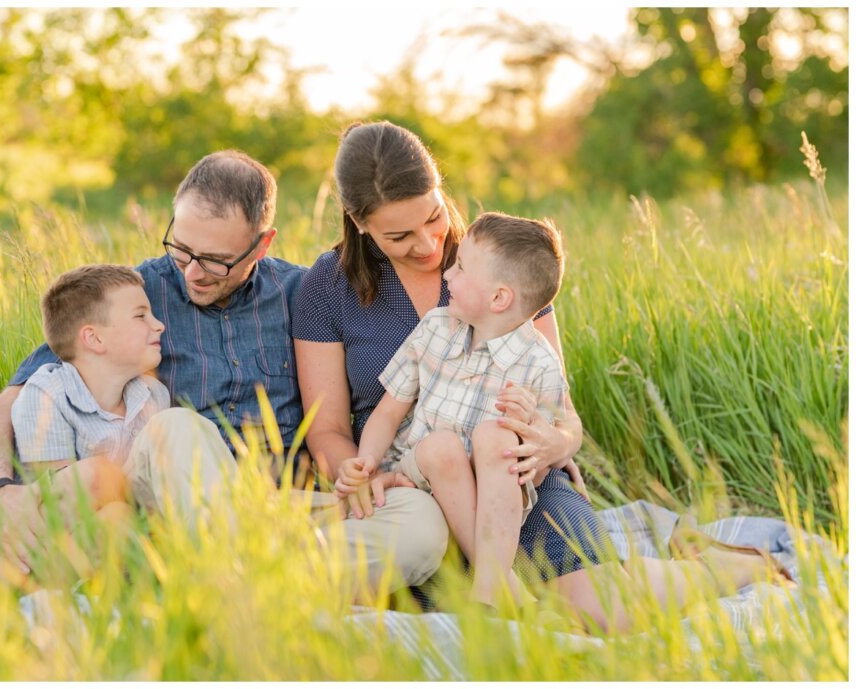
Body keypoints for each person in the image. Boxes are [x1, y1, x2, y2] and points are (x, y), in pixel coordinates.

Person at [293, 120, 792, 633]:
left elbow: (562, 409)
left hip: (512, 478)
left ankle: (725, 565)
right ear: (358, 223)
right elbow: (327, 428)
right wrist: (364, 473)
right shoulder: (327, 290)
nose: (427, 245)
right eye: (399, 236)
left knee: (600, 612)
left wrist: (556, 444)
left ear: (440, 190)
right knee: (432, 604)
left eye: (434, 218)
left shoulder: (501, 260)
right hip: (413, 483)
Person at [0, 149, 447, 599]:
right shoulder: (133, 296)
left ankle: (230, 585)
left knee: (421, 524)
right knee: (174, 425)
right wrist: (1, 491)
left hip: (283, 507)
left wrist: (372, 472)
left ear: (262, 244)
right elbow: (6, 407)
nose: (193, 273)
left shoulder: (304, 292)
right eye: (182, 250)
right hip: (165, 506)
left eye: (216, 261)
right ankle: (247, 583)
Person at [336, 212, 573, 613]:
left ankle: (487, 587)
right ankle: (499, 581)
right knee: (441, 446)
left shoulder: (540, 365)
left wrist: (531, 426)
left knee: (496, 435)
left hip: (494, 495)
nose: (447, 274)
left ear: (499, 298)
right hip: (421, 472)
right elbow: (389, 412)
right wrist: (367, 463)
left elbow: (539, 461)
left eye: (460, 268)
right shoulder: (435, 329)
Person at [10, 263, 169, 528]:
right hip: (59, 529)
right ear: (94, 339)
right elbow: (64, 502)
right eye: (141, 316)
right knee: (102, 491)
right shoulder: (47, 396)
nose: (160, 325)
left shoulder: (152, 394)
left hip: (133, 518)